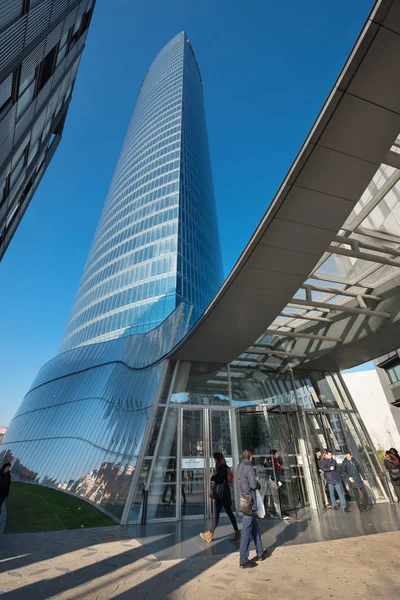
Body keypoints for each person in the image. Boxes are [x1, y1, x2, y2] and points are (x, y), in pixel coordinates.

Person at [237, 450, 269, 569]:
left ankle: (260, 552)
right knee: (246, 530)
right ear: (250, 457)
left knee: (255, 527)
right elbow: (253, 484)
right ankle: (243, 559)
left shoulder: (239, 467)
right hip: (250, 501)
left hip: (244, 498)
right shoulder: (248, 467)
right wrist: (258, 484)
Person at [200, 452, 240, 544]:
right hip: (224, 495)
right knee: (226, 514)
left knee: (218, 514)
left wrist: (212, 477)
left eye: (215, 459)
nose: (214, 461)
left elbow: (219, 479)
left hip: (222, 495)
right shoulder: (224, 466)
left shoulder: (222, 468)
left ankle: (210, 534)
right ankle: (236, 533)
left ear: (217, 460)